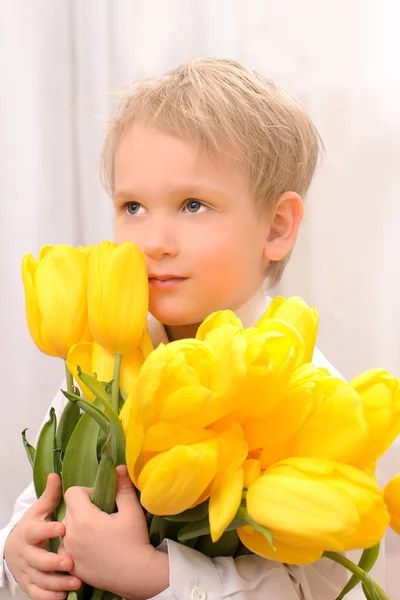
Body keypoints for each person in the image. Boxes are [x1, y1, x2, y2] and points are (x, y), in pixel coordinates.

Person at [0, 58, 388, 600]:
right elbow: (47, 496)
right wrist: (19, 554)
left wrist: (150, 577)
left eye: (192, 205)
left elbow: (318, 586)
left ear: (276, 227)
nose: (154, 239)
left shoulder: (312, 396)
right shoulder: (103, 360)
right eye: (132, 206)